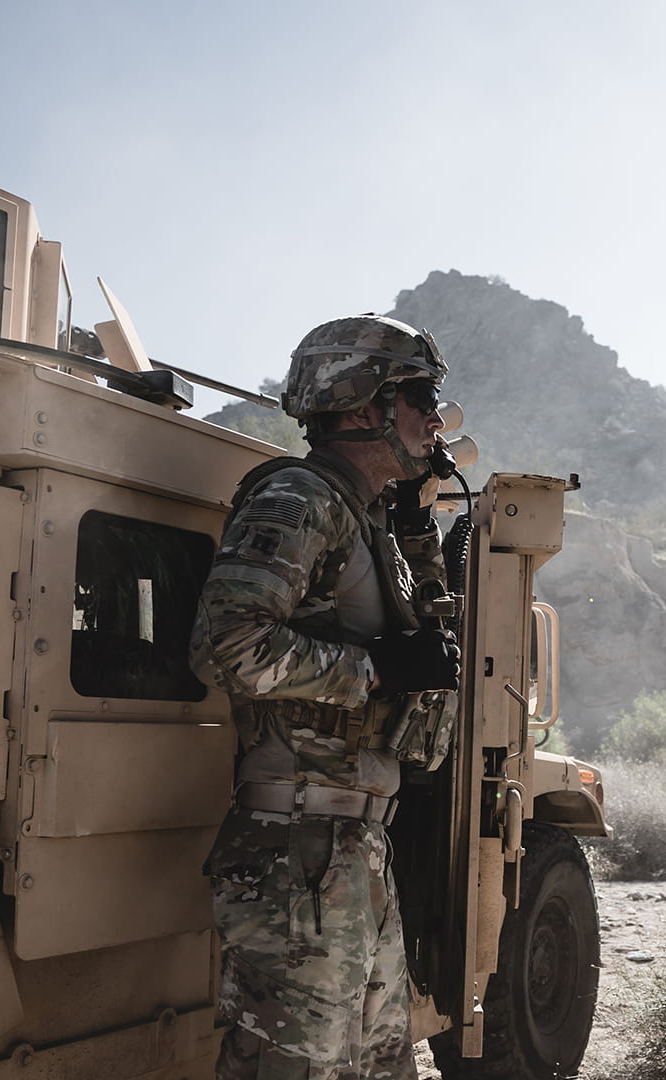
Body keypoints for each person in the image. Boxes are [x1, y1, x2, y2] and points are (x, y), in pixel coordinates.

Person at [191, 313, 462, 1080]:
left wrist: (417, 530)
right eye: (420, 396)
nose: (435, 418)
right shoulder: (298, 498)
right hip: (294, 854)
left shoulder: (373, 520)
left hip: (354, 853)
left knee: (380, 1067)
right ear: (360, 403)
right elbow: (228, 645)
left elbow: (426, 643)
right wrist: (374, 671)